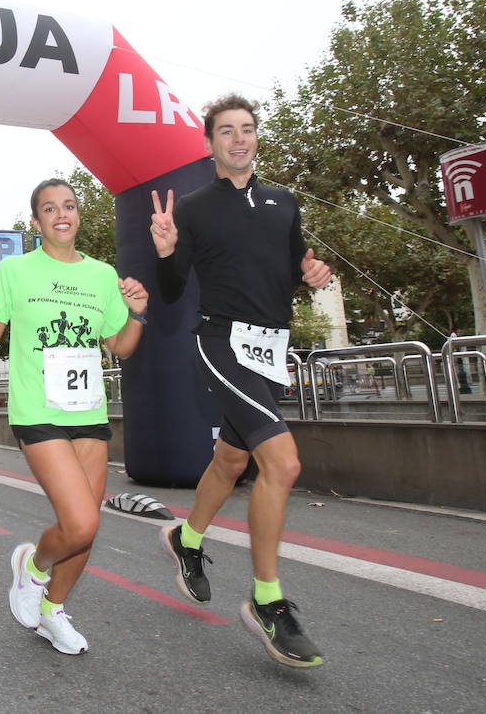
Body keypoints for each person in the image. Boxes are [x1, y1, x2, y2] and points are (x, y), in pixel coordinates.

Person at [150, 93, 332, 669]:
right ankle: (268, 600)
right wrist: (165, 251)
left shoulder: (284, 201)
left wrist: (311, 271)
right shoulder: (197, 208)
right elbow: (175, 290)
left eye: (247, 129)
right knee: (282, 463)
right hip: (222, 344)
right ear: (210, 145)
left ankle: (187, 540)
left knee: (231, 461)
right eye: (226, 131)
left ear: (256, 138)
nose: (238, 138)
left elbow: (289, 267)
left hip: (270, 350)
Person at [0, 178, 148, 655]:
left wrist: (137, 314)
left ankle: (53, 611)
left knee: (85, 529)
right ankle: (33, 567)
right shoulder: (16, 271)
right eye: (50, 208)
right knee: (81, 522)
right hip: (37, 410)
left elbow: (121, 347)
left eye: (69, 205)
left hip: (88, 409)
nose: (61, 213)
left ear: (78, 215)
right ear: (36, 222)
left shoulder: (103, 275)